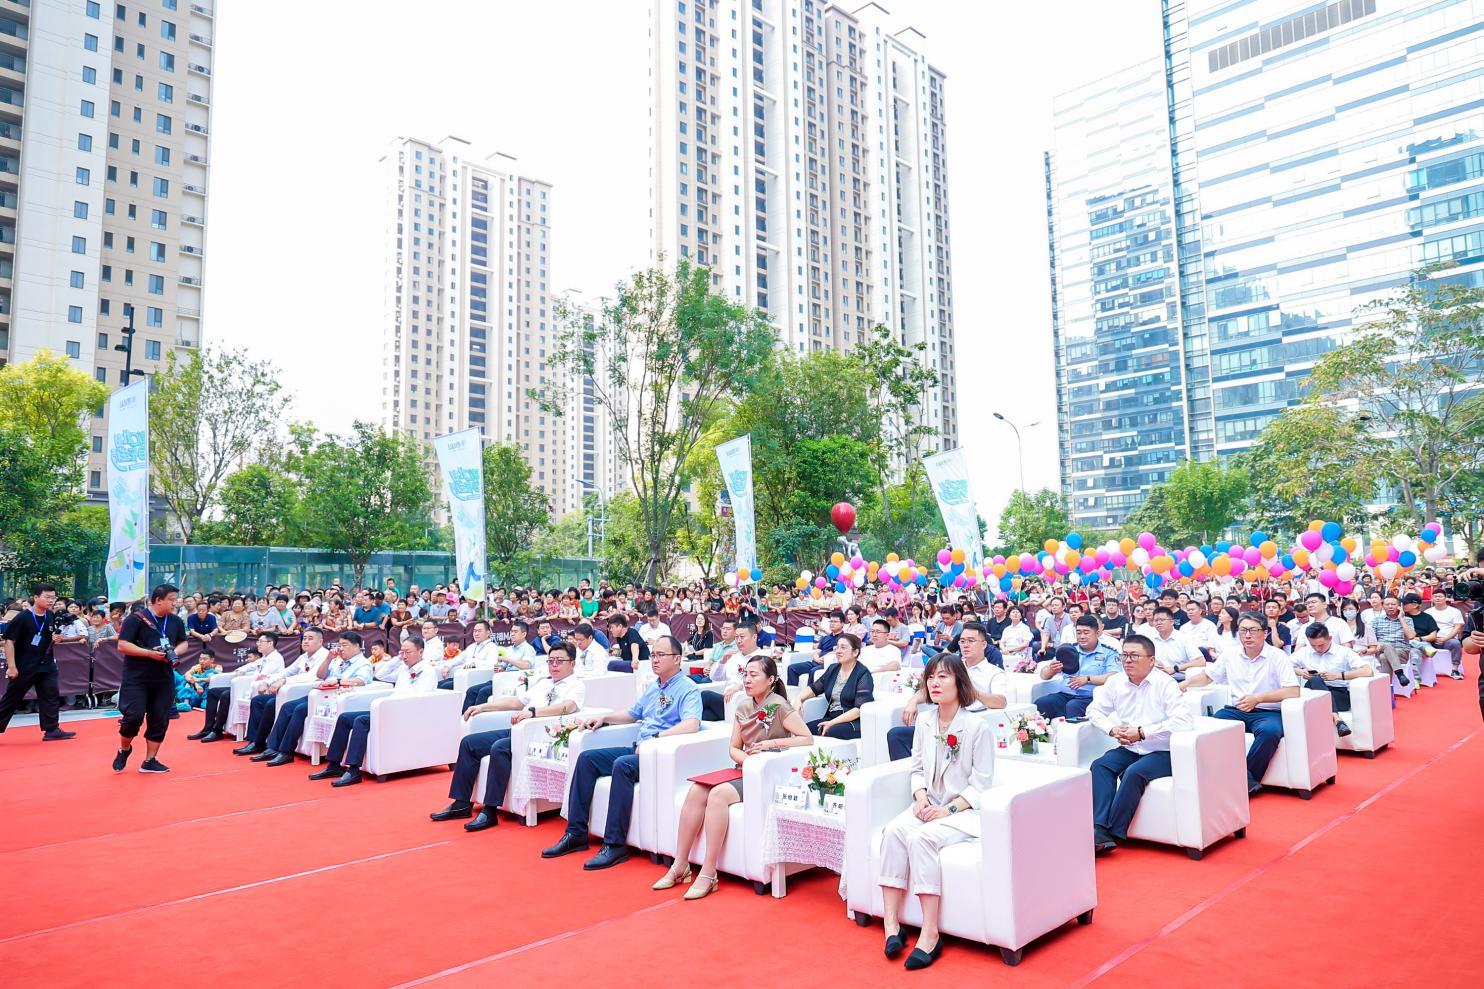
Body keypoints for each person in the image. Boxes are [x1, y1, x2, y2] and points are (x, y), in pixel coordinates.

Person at [654, 655, 813, 898]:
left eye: (754, 675)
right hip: (744, 767)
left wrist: (769, 746)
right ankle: (680, 864)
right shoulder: (743, 707)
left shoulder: (780, 705)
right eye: (745, 675)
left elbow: (806, 738)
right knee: (696, 790)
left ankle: (709, 872)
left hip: (766, 773)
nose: (747, 680)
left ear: (771, 679)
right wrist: (747, 760)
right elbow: (733, 748)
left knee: (718, 794)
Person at [541, 635, 702, 870]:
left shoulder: (688, 688)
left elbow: (692, 724)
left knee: (623, 765)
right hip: (638, 748)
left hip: (659, 754)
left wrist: (657, 739)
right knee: (587, 760)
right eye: (653, 655)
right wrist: (604, 718)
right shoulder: (653, 687)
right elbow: (632, 714)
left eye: (660, 655)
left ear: (677, 659)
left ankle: (615, 844)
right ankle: (575, 833)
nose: (655, 660)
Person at [877, 653, 995, 970]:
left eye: (943, 676)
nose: (935, 683)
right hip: (928, 804)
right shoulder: (925, 720)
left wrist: (948, 809)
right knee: (893, 832)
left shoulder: (977, 726)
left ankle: (930, 934)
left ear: (959, 682)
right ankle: (892, 924)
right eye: (930, 677)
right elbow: (916, 768)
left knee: (922, 839)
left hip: (962, 812)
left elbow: (982, 784)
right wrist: (920, 797)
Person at [431, 641, 587, 830]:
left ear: (572, 663)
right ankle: (461, 803)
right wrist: (483, 706)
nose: (554, 665)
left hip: (540, 735)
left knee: (500, 748)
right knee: (469, 743)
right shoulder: (544, 683)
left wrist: (533, 712)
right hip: (519, 730)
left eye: (559, 661)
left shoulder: (576, 685)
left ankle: (489, 810)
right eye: (550, 660)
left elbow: (568, 707)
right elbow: (517, 702)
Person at [1087, 634, 1192, 853]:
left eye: (1134, 656)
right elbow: (1093, 710)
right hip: (1130, 746)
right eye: (1124, 655)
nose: (1127, 660)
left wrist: (1143, 732)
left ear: (1151, 660)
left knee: (1134, 773)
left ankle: (1113, 833)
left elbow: (1183, 721)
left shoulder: (1165, 684)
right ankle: (1098, 827)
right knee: (1100, 765)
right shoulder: (1116, 682)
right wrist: (1111, 729)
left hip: (1162, 750)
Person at [1182, 613, 1300, 793]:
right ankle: (1234, 779)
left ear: (1265, 633)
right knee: (1211, 728)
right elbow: (1208, 676)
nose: (1247, 635)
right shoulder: (1230, 654)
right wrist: (1184, 684)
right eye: (1243, 630)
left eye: (1253, 630)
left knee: (1269, 733)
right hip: (1238, 709)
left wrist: (1258, 698)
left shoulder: (1277, 656)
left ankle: (1244, 782)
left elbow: (1293, 690)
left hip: (1268, 712)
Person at [310, 634, 437, 787]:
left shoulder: (427, 671)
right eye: (401, 652)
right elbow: (380, 674)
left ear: (421, 652)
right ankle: (334, 765)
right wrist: (398, 658)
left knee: (361, 721)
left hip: (405, 712)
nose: (404, 656)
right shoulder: (404, 668)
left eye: (407, 652)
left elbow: (419, 700)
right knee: (344, 718)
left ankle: (354, 770)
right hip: (391, 709)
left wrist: (391, 705)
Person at [887, 622, 1008, 761]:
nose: (965, 645)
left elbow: (1001, 702)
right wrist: (913, 701)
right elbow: (932, 687)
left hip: (968, 724)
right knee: (896, 735)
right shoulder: (951, 666)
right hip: (941, 721)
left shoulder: (994, 672)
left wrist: (971, 691)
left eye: (971, 641)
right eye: (962, 641)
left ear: (984, 644)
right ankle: (916, 772)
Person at [256, 632, 375, 764]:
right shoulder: (338, 660)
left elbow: (360, 681)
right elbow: (321, 675)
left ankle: (286, 752)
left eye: (344, 645)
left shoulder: (363, 663)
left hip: (336, 698)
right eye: (339, 645)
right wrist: (328, 659)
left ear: (357, 646)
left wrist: (338, 681)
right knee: (287, 706)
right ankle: (272, 747)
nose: (341, 648)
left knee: (300, 709)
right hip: (321, 694)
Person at [113, 584, 189, 773]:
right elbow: (122, 645)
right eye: (171, 600)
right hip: (136, 677)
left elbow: (184, 643)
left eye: (176, 600)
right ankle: (124, 749)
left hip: (163, 677)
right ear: (158, 600)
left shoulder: (176, 621)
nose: (175, 603)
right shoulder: (135, 619)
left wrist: (173, 652)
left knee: (160, 718)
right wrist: (149, 653)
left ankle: (150, 760)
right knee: (133, 716)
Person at [0, 582, 76, 741]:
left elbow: (47, 637)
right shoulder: (23, 617)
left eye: (53, 598)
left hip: (46, 664)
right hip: (25, 665)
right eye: (47, 597)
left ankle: (52, 729)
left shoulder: (50, 615)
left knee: (51, 695)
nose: (51, 601)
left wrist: (57, 639)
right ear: (36, 597)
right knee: (12, 698)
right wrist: (11, 666)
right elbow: (9, 641)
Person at [1291, 623, 1372, 737]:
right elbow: (1284, 666)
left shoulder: (1344, 652)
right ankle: (1337, 719)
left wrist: (1337, 676)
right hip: (1313, 694)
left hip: (1339, 693)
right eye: (1313, 645)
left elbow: (1368, 671)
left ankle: (1335, 717)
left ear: (1329, 638)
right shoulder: (1305, 652)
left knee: (1315, 680)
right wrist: (1300, 671)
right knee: (1315, 680)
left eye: (1321, 645)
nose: (1317, 649)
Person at [1035, 615, 1121, 721]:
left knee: (1073, 706)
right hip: (1065, 695)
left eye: (1086, 632)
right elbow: (1043, 675)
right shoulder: (1068, 650)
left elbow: (1114, 676)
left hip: (1091, 698)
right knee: (1042, 703)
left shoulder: (1109, 653)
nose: (1082, 636)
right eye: (1079, 633)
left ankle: (1071, 732)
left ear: (1097, 633)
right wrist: (1051, 670)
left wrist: (1088, 680)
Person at [795, 633, 874, 739]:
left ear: (855, 652)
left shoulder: (863, 674)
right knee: (804, 730)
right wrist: (798, 699)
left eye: (843, 647)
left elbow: (859, 709)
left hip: (853, 721)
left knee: (831, 731)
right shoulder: (833, 669)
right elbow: (814, 689)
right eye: (837, 647)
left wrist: (831, 723)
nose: (838, 651)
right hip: (832, 717)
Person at [1358, 594, 1415, 685]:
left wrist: (1401, 618)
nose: (1390, 606)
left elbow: (1411, 636)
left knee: (1384, 657)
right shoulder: (1376, 620)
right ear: (1383, 606)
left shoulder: (1407, 620)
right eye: (1387, 604)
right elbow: (1370, 637)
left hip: (1401, 652)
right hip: (1381, 649)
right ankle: (1399, 674)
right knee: (1385, 649)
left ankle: (1386, 686)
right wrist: (1377, 644)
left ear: (1399, 606)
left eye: (1393, 604)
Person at [1425, 589, 1466, 680]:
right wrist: (1431, 638)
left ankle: (1455, 669)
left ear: (1445, 598)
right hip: (1431, 639)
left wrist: (1445, 639)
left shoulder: (1454, 611)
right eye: (1435, 597)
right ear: (1432, 599)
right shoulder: (1428, 612)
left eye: (1440, 596)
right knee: (1418, 643)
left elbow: (1458, 627)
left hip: (1448, 639)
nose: (1437, 598)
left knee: (1455, 643)